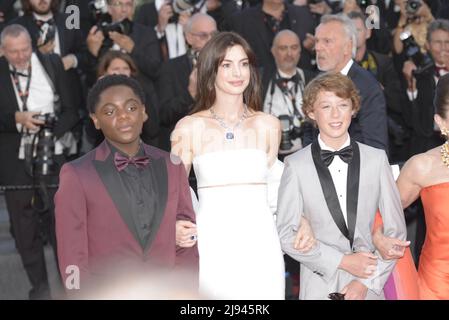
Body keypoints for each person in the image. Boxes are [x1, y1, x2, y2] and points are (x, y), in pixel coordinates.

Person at [54, 75, 198, 297]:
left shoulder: (172, 165)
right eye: (110, 111)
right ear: (95, 120)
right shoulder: (77, 174)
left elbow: (187, 237)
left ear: (144, 111)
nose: (123, 116)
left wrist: (186, 290)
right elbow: (71, 255)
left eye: (131, 107)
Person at [171, 31, 286, 299]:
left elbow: (276, 187)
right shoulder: (188, 128)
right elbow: (174, 189)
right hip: (213, 244)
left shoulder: (269, 124)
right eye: (227, 64)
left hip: (262, 243)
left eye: (243, 63)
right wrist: (176, 224)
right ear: (211, 70)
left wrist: (297, 221)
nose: (238, 72)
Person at [276, 72, 407, 300]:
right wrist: (342, 261)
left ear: (353, 109)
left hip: (369, 285)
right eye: (326, 106)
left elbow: (396, 232)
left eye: (343, 105)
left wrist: (365, 282)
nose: (335, 114)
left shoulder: (376, 160)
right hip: (319, 284)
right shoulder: (295, 165)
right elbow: (286, 235)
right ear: (310, 112)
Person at [0, 24, 79, 299]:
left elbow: (72, 109)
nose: (21, 57)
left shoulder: (51, 63)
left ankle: (70, 288)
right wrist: (16, 120)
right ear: (2, 51)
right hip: (14, 162)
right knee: (25, 230)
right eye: (14, 52)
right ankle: (41, 289)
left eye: (25, 50)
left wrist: (50, 132)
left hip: (53, 155)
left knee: (62, 225)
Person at [373, 73, 449, 299]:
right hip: (438, 287)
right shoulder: (422, 167)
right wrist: (378, 237)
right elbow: (379, 211)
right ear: (441, 122)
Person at [311, 14, 388, 151]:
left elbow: (376, 148)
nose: (318, 47)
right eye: (317, 41)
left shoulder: (367, 86)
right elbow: (310, 132)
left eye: (327, 41)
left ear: (347, 47)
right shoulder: (315, 83)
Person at [157, 12, 217, 151]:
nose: (210, 40)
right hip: (184, 148)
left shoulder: (228, 65)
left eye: (214, 35)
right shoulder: (170, 68)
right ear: (189, 38)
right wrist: (190, 94)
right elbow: (164, 115)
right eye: (203, 36)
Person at [262, 29, 316, 157]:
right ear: (273, 51)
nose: (289, 53)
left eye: (294, 47)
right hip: (270, 158)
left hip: (307, 156)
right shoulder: (260, 81)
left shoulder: (312, 80)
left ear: (300, 51)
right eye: (283, 48)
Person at [93, 50, 160, 147]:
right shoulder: (97, 95)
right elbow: (92, 132)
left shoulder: (141, 93)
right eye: (116, 69)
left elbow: (153, 130)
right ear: (105, 72)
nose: (121, 73)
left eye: (125, 68)